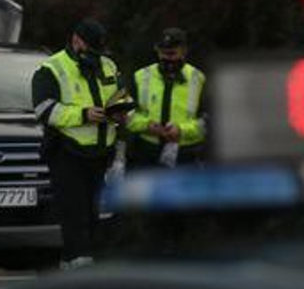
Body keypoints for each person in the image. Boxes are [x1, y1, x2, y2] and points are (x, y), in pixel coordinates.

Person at [30, 19, 126, 268]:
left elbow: (122, 97)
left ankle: (76, 263)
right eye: (91, 48)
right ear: (76, 40)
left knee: (97, 215)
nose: (96, 54)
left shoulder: (108, 65)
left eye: (99, 49)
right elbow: (44, 110)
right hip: (67, 152)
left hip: (102, 152)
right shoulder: (51, 68)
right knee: (74, 213)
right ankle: (79, 264)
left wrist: (122, 112)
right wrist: (83, 114)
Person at [126, 26, 207, 168]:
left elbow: (208, 122)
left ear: (184, 51)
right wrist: (147, 125)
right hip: (145, 154)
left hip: (185, 156)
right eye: (163, 53)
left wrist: (181, 130)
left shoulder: (198, 79)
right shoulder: (140, 77)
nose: (167, 58)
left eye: (172, 53)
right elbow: (124, 114)